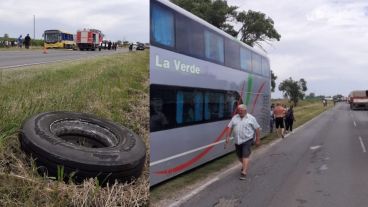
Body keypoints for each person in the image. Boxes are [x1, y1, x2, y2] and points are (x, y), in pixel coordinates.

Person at [226, 104, 261, 180]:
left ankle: (244, 172)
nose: (240, 111)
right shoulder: (235, 117)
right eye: (239, 110)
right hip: (237, 140)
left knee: (245, 155)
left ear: (245, 110)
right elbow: (229, 127)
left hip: (247, 139)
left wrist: (258, 139)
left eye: (241, 110)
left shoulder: (251, 118)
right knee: (239, 155)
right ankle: (244, 164)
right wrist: (228, 136)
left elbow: (257, 128)